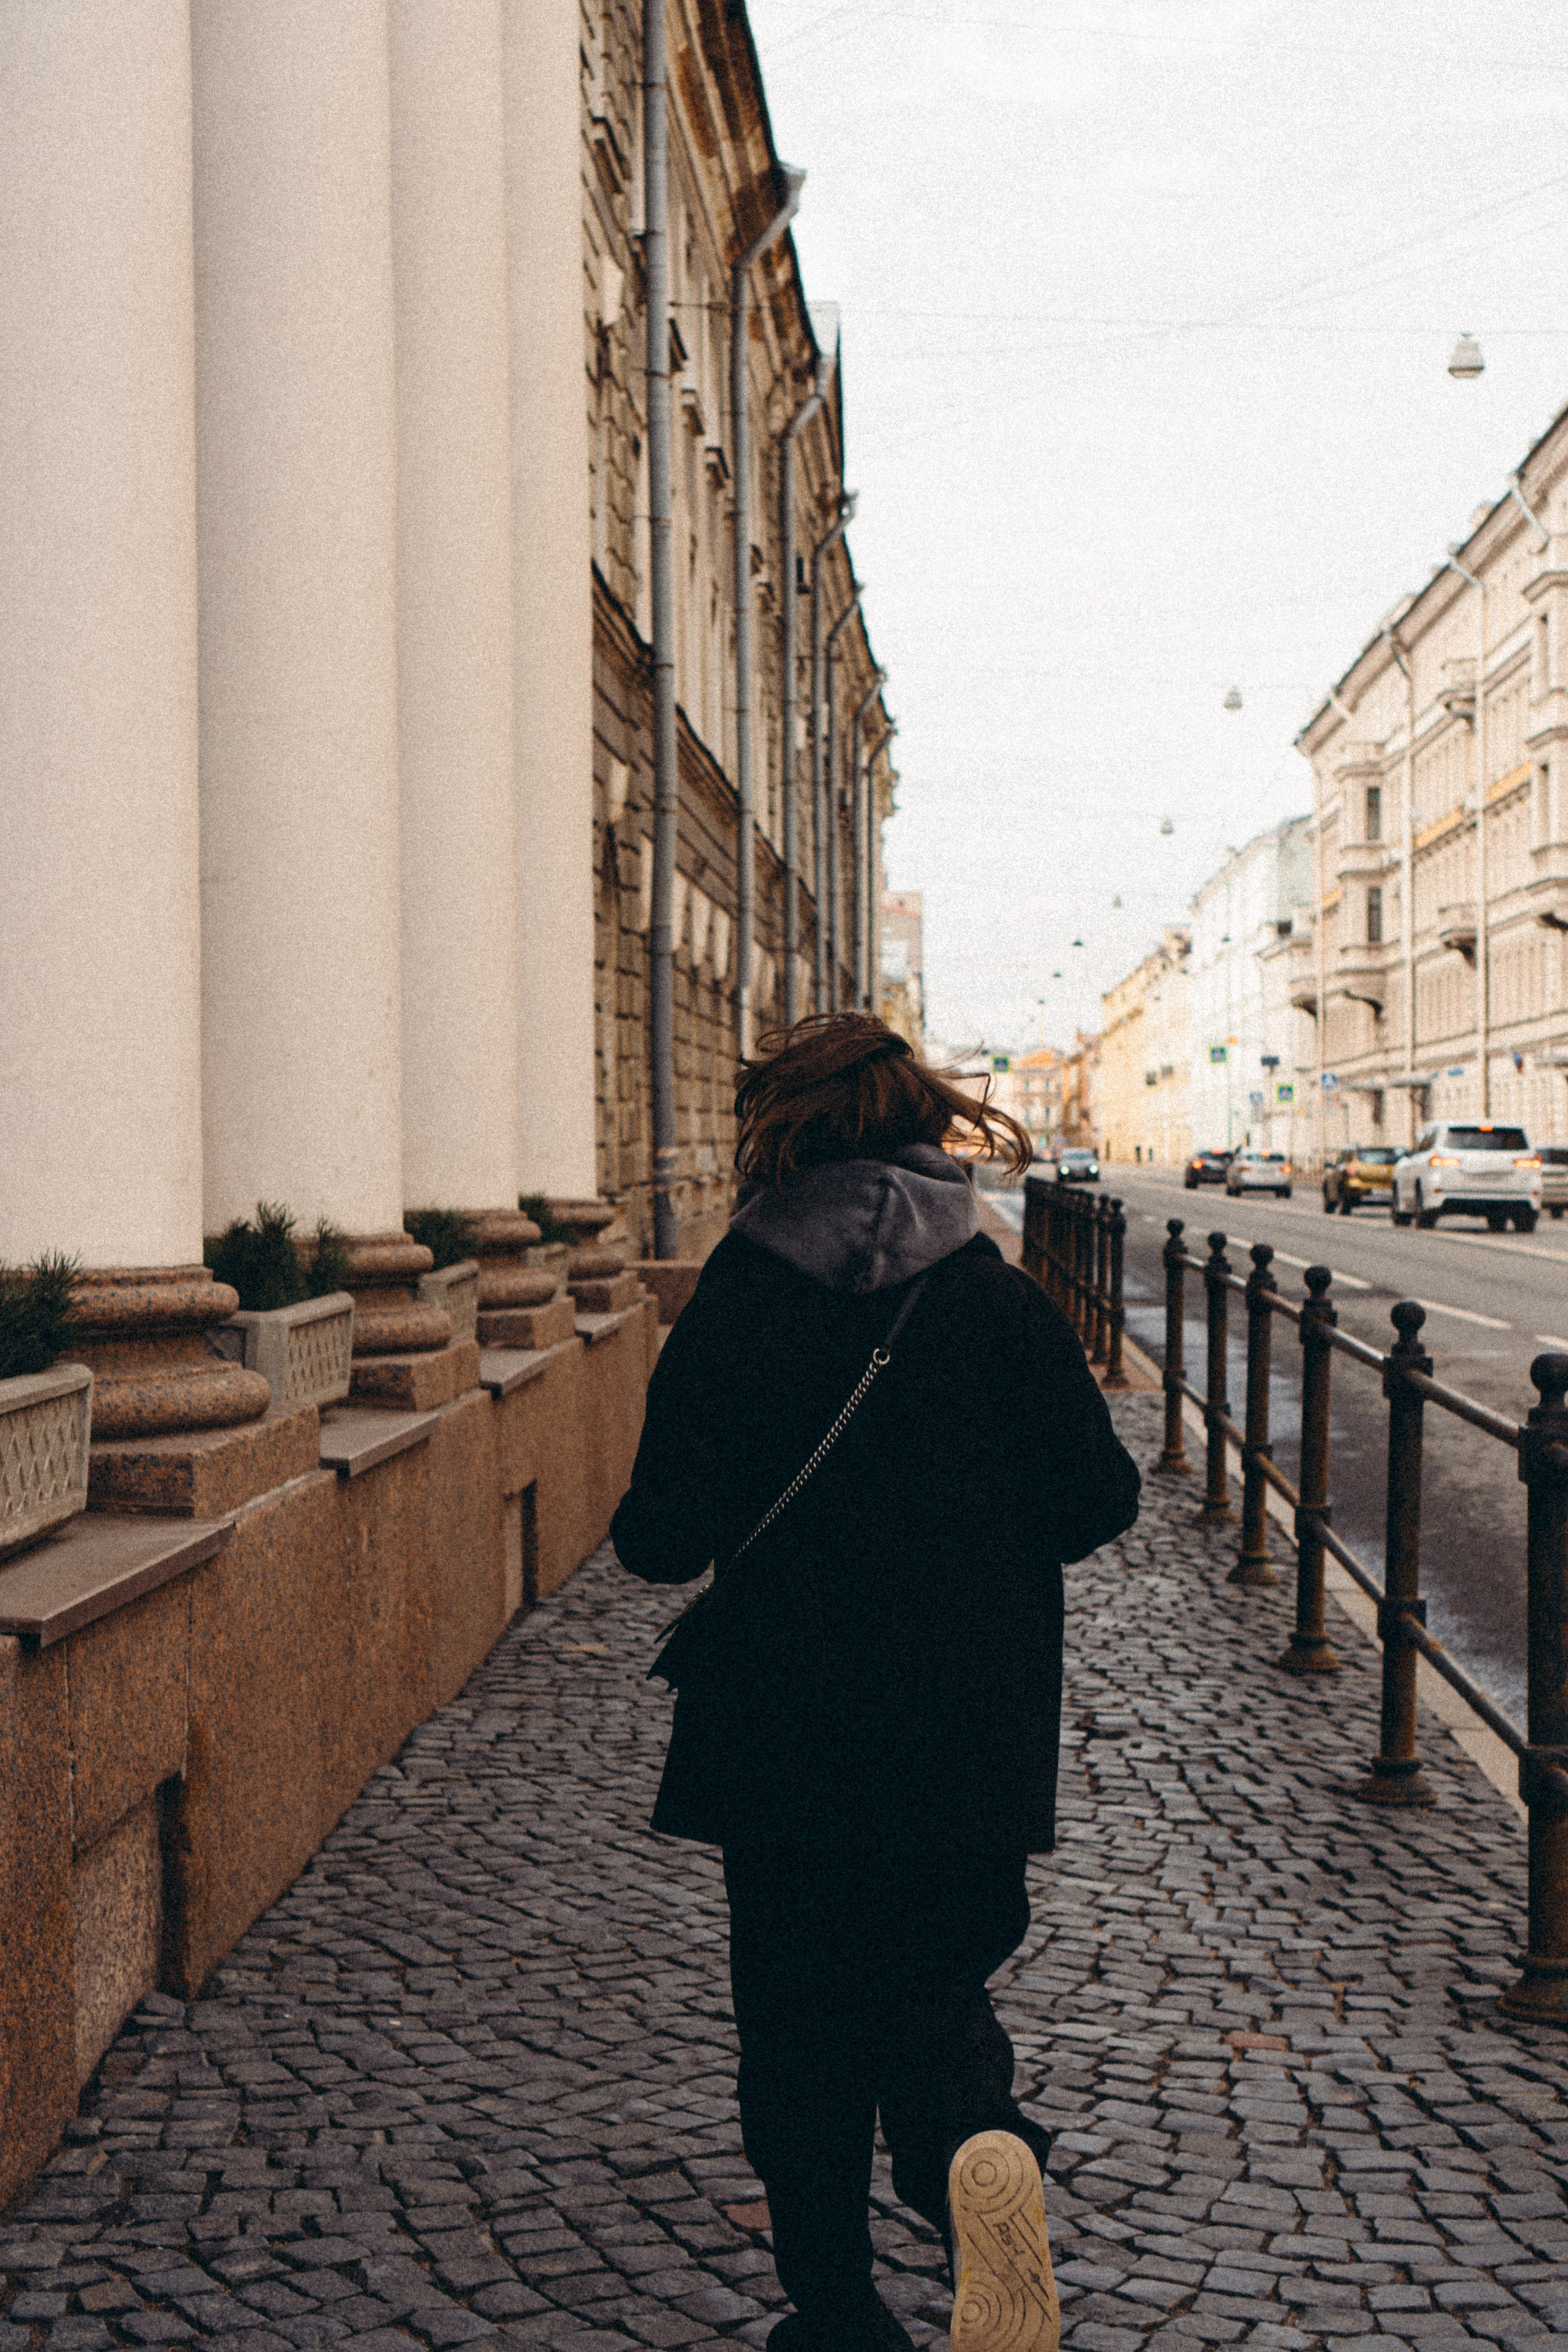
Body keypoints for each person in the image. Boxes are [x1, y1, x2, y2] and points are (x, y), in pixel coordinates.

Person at [611, 1015, 1142, 2352]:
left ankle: (840, 2317)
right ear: (922, 1126)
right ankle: (986, 2208)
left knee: (795, 2029)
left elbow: (656, 1538)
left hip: (782, 1743)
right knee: (930, 1998)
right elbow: (1098, 1502)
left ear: (786, 1131)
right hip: (968, 1740)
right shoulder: (996, 1298)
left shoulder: (741, 1288)